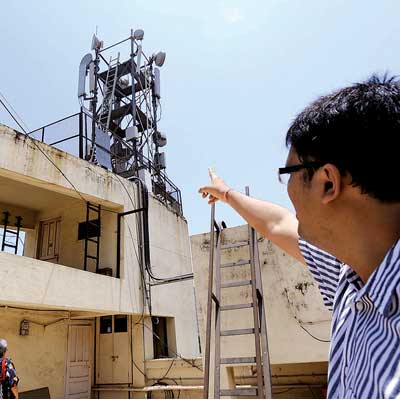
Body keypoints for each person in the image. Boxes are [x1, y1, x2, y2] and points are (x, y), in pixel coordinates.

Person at [199, 75, 400, 399]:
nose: (287, 189)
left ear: (327, 182)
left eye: (287, 173)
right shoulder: (349, 275)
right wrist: (227, 193)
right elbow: (278, 224)